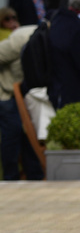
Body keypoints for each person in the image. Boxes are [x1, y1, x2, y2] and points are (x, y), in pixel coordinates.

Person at [0, 20, 44, 180]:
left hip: (22, 93)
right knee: (13, 133)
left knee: (27, 134)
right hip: (6, 93)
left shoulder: (46, 37)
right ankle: (10, 180)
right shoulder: (23, 38)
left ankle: (34, 177)